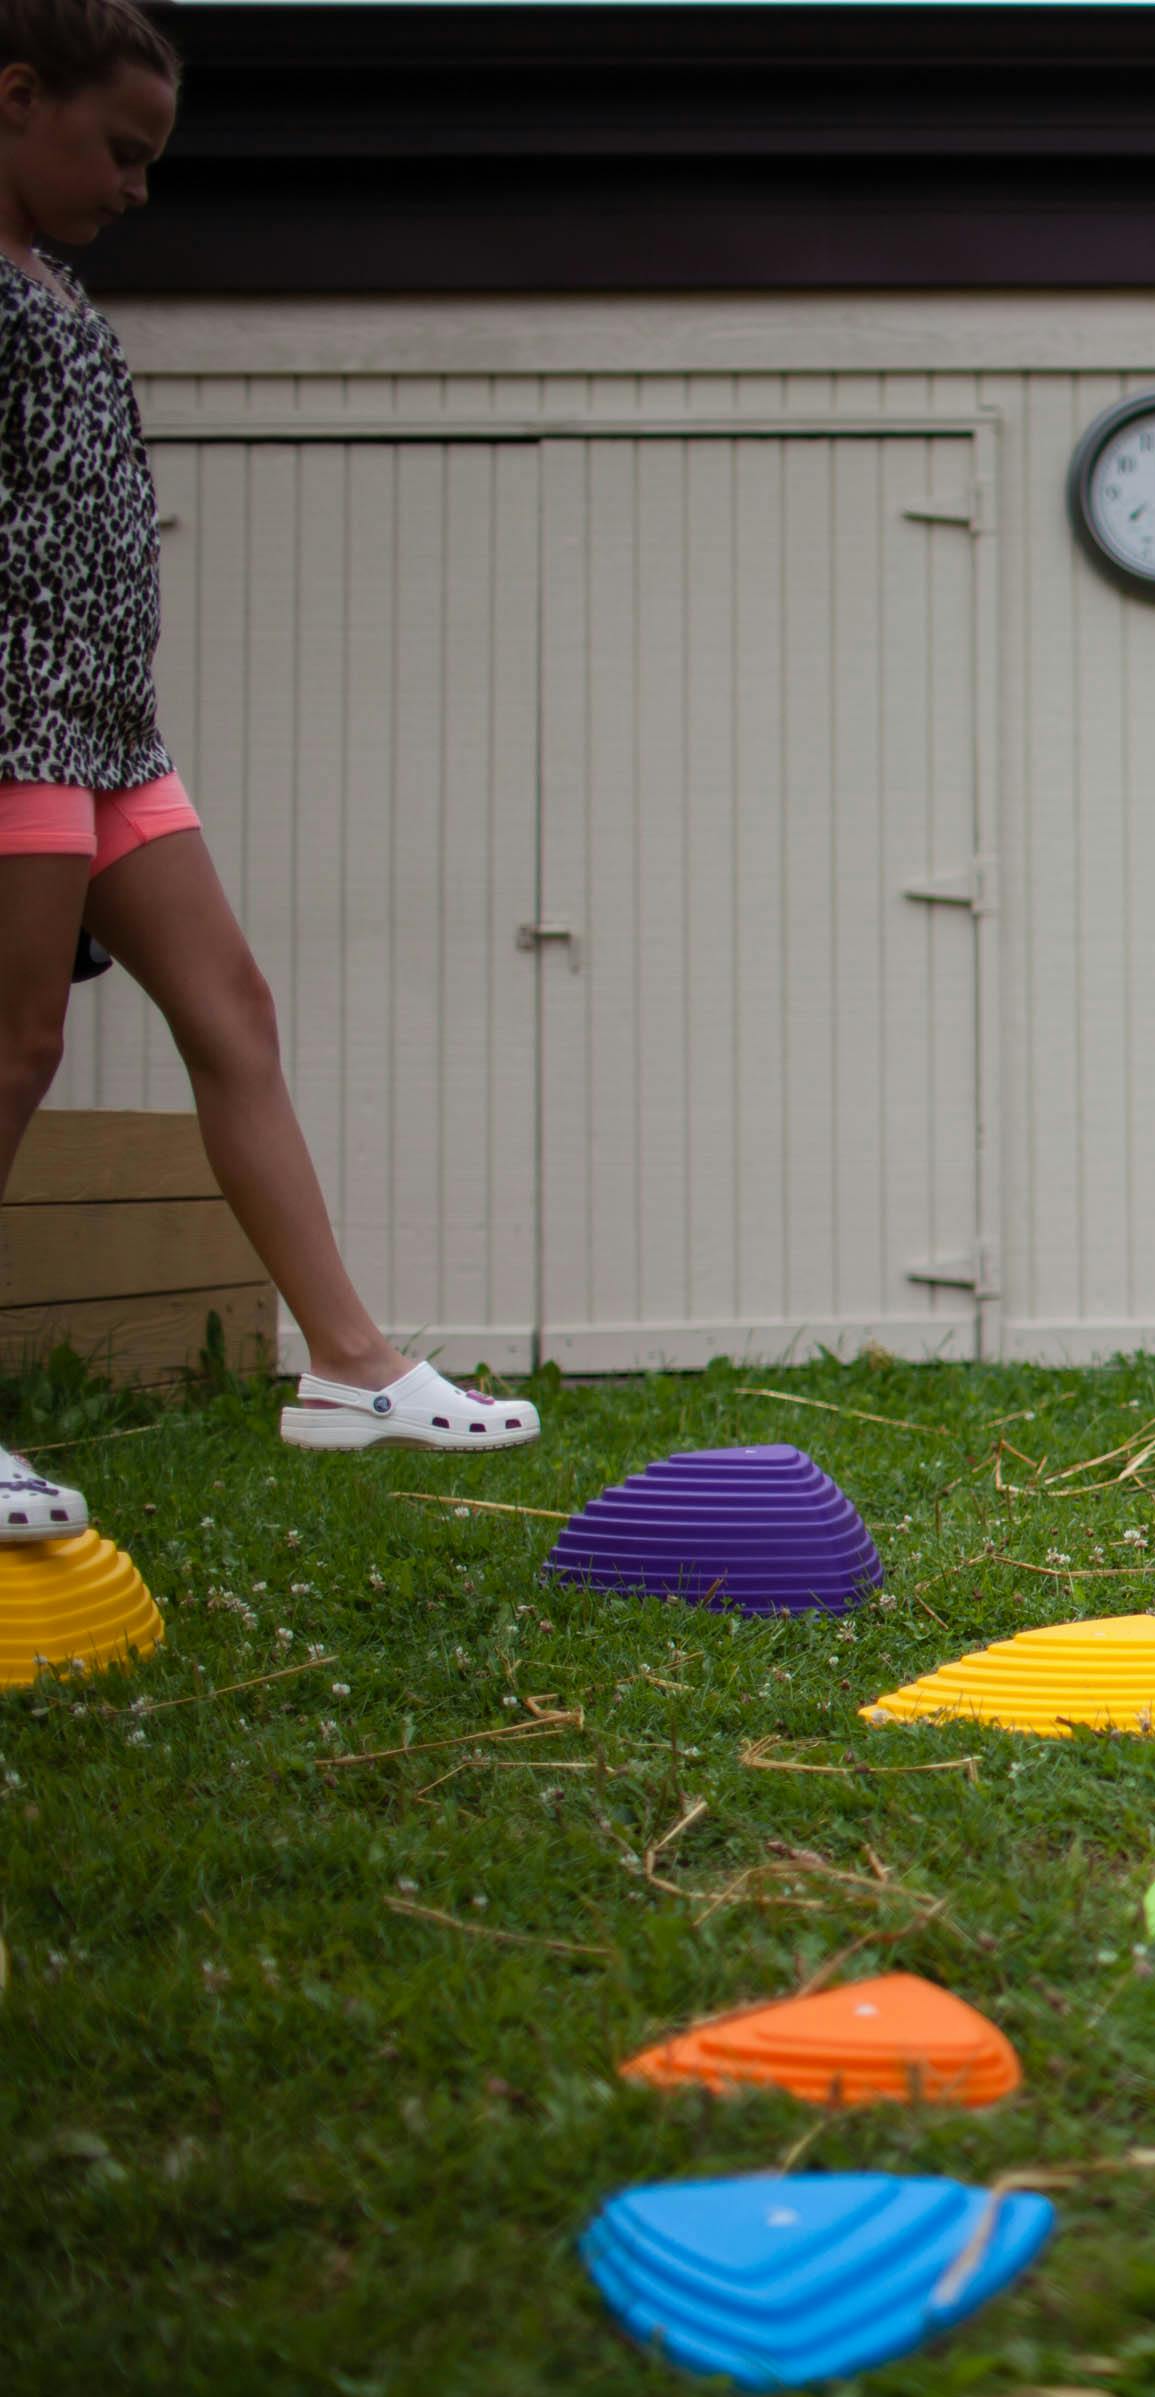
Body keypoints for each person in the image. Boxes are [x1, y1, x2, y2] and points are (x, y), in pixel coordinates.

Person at [0, 0, 538, 1541]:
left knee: (235, 1013)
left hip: (108, 729)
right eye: (118, 150)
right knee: (18, 1045)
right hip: (15, 716)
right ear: (17, 95)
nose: (136, 187)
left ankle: (350, 1368)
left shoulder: (53, 282)